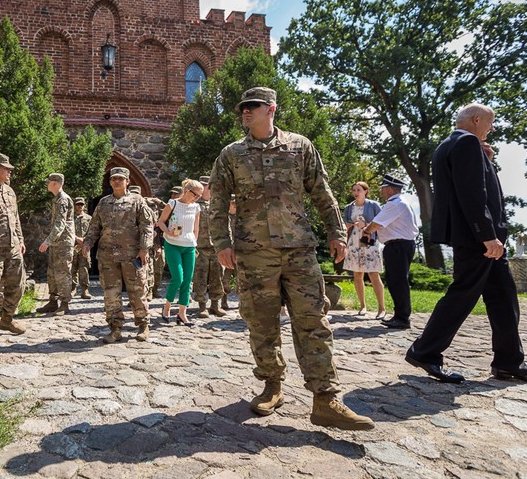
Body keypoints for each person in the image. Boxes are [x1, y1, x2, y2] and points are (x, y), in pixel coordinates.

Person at [210, 86, 374, 431]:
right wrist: (222, 242)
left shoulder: (300, 146)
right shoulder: (231, 154)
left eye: (252, 106)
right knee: (261, 323)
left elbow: (322, 192)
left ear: (270, 108)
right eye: (242, 108)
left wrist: (336, 233)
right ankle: (272, 385)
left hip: (299, 249)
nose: (245, 112)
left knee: (313, 320)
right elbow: (219, 203)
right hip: (254, 253)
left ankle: (325, 398)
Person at [405, 103, 527, 385]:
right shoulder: (466, 143)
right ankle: (424, 351)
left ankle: (509, 362)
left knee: (503, 297)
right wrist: (487, 235)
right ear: (476, 120)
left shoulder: (450, 145)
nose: (492, 128)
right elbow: (472, 194)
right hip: (479, 239)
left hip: (478, 238)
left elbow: (474, 184)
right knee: (463, 294)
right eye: (490, 122)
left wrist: (486, 161)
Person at [82, 167, 153, 343]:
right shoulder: (104, 203)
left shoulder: (137, 201)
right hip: (108, 256)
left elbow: (147, 226)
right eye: (114, 179)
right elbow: (94, 227)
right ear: (110, 181)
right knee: (110, 293)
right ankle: (115, 328)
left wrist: (144, 249)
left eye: (121, 179)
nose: (117, 181)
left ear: (128, 181)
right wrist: (87, 243)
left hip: (132, 256)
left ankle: (143, 325)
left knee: (137, 291)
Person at [363, 174, 419, 329]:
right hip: (399, 245)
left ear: (388, 189)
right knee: (396, 281)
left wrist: (366, 231)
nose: (382, 191)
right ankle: (400, 315)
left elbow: (376, 224)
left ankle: (402, 318)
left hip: (398, 246)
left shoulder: (394, 203)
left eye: (383, 188)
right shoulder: (400, 202)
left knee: (398, 282)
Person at [0, 153, 27, 344]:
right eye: (6, 169)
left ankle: (7, 319)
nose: (9, 172)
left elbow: (15, 218)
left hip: (13, 246)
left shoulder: (9, 191)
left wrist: (21, 239)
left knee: (18, 284)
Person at [157, 178, 203, 326]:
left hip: (189, 246)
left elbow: (196, 228)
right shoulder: (173, 204)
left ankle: (182, 313)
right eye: (196, 194)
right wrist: (168, 233)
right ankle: (167, 307)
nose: (197, 198)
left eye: (199, 196)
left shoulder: (196, 207)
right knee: (178, 278)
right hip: (172, 245)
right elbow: (161, 222)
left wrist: (194, 243)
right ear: (187, 191)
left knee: (188, 280)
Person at [342, 181, 386, 318]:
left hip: (370, 241)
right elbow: (344, 224)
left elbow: (382, 222)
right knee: (357, 275)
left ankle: (381, 308)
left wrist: (366, 224)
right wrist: (349, 225)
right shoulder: (349, 207)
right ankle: (362, 306)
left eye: (358, 190)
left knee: (373, 273)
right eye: (354, 190)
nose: (355, 192)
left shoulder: (373, 205)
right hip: (354, 242)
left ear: (365, 191)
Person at [38, 173, 75, 315]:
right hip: (57, 243)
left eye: (49, 182)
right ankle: (53, 302)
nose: (47, 184)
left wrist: (47, 241)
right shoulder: (57, 199)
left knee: (63, 272)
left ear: (55, 183)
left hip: (63, 243)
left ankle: (64, 303)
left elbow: (60, 224)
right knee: (52, 273)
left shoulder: (63, 200)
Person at [192, 176, 226, 318]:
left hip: (216, 248)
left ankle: (215, 305)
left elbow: (225, 223)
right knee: (200, 277)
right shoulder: (194, 205)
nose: (208, 188)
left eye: (209, 185)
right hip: (200, 247)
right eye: (206, 186)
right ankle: (202, 307)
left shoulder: (217, 204)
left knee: (217, 277)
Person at [71, 197, 92, 299]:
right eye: (77, 204)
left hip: (84, 247)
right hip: (72, 246)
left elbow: (92, 232)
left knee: (84, 268)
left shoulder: (88, 218)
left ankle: (85, 290)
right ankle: (72, 289)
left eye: (81, 205)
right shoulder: (69, 218)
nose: (79, 206)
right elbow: (67, 231)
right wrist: (76, 239)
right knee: (72, 268)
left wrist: (83, 242)